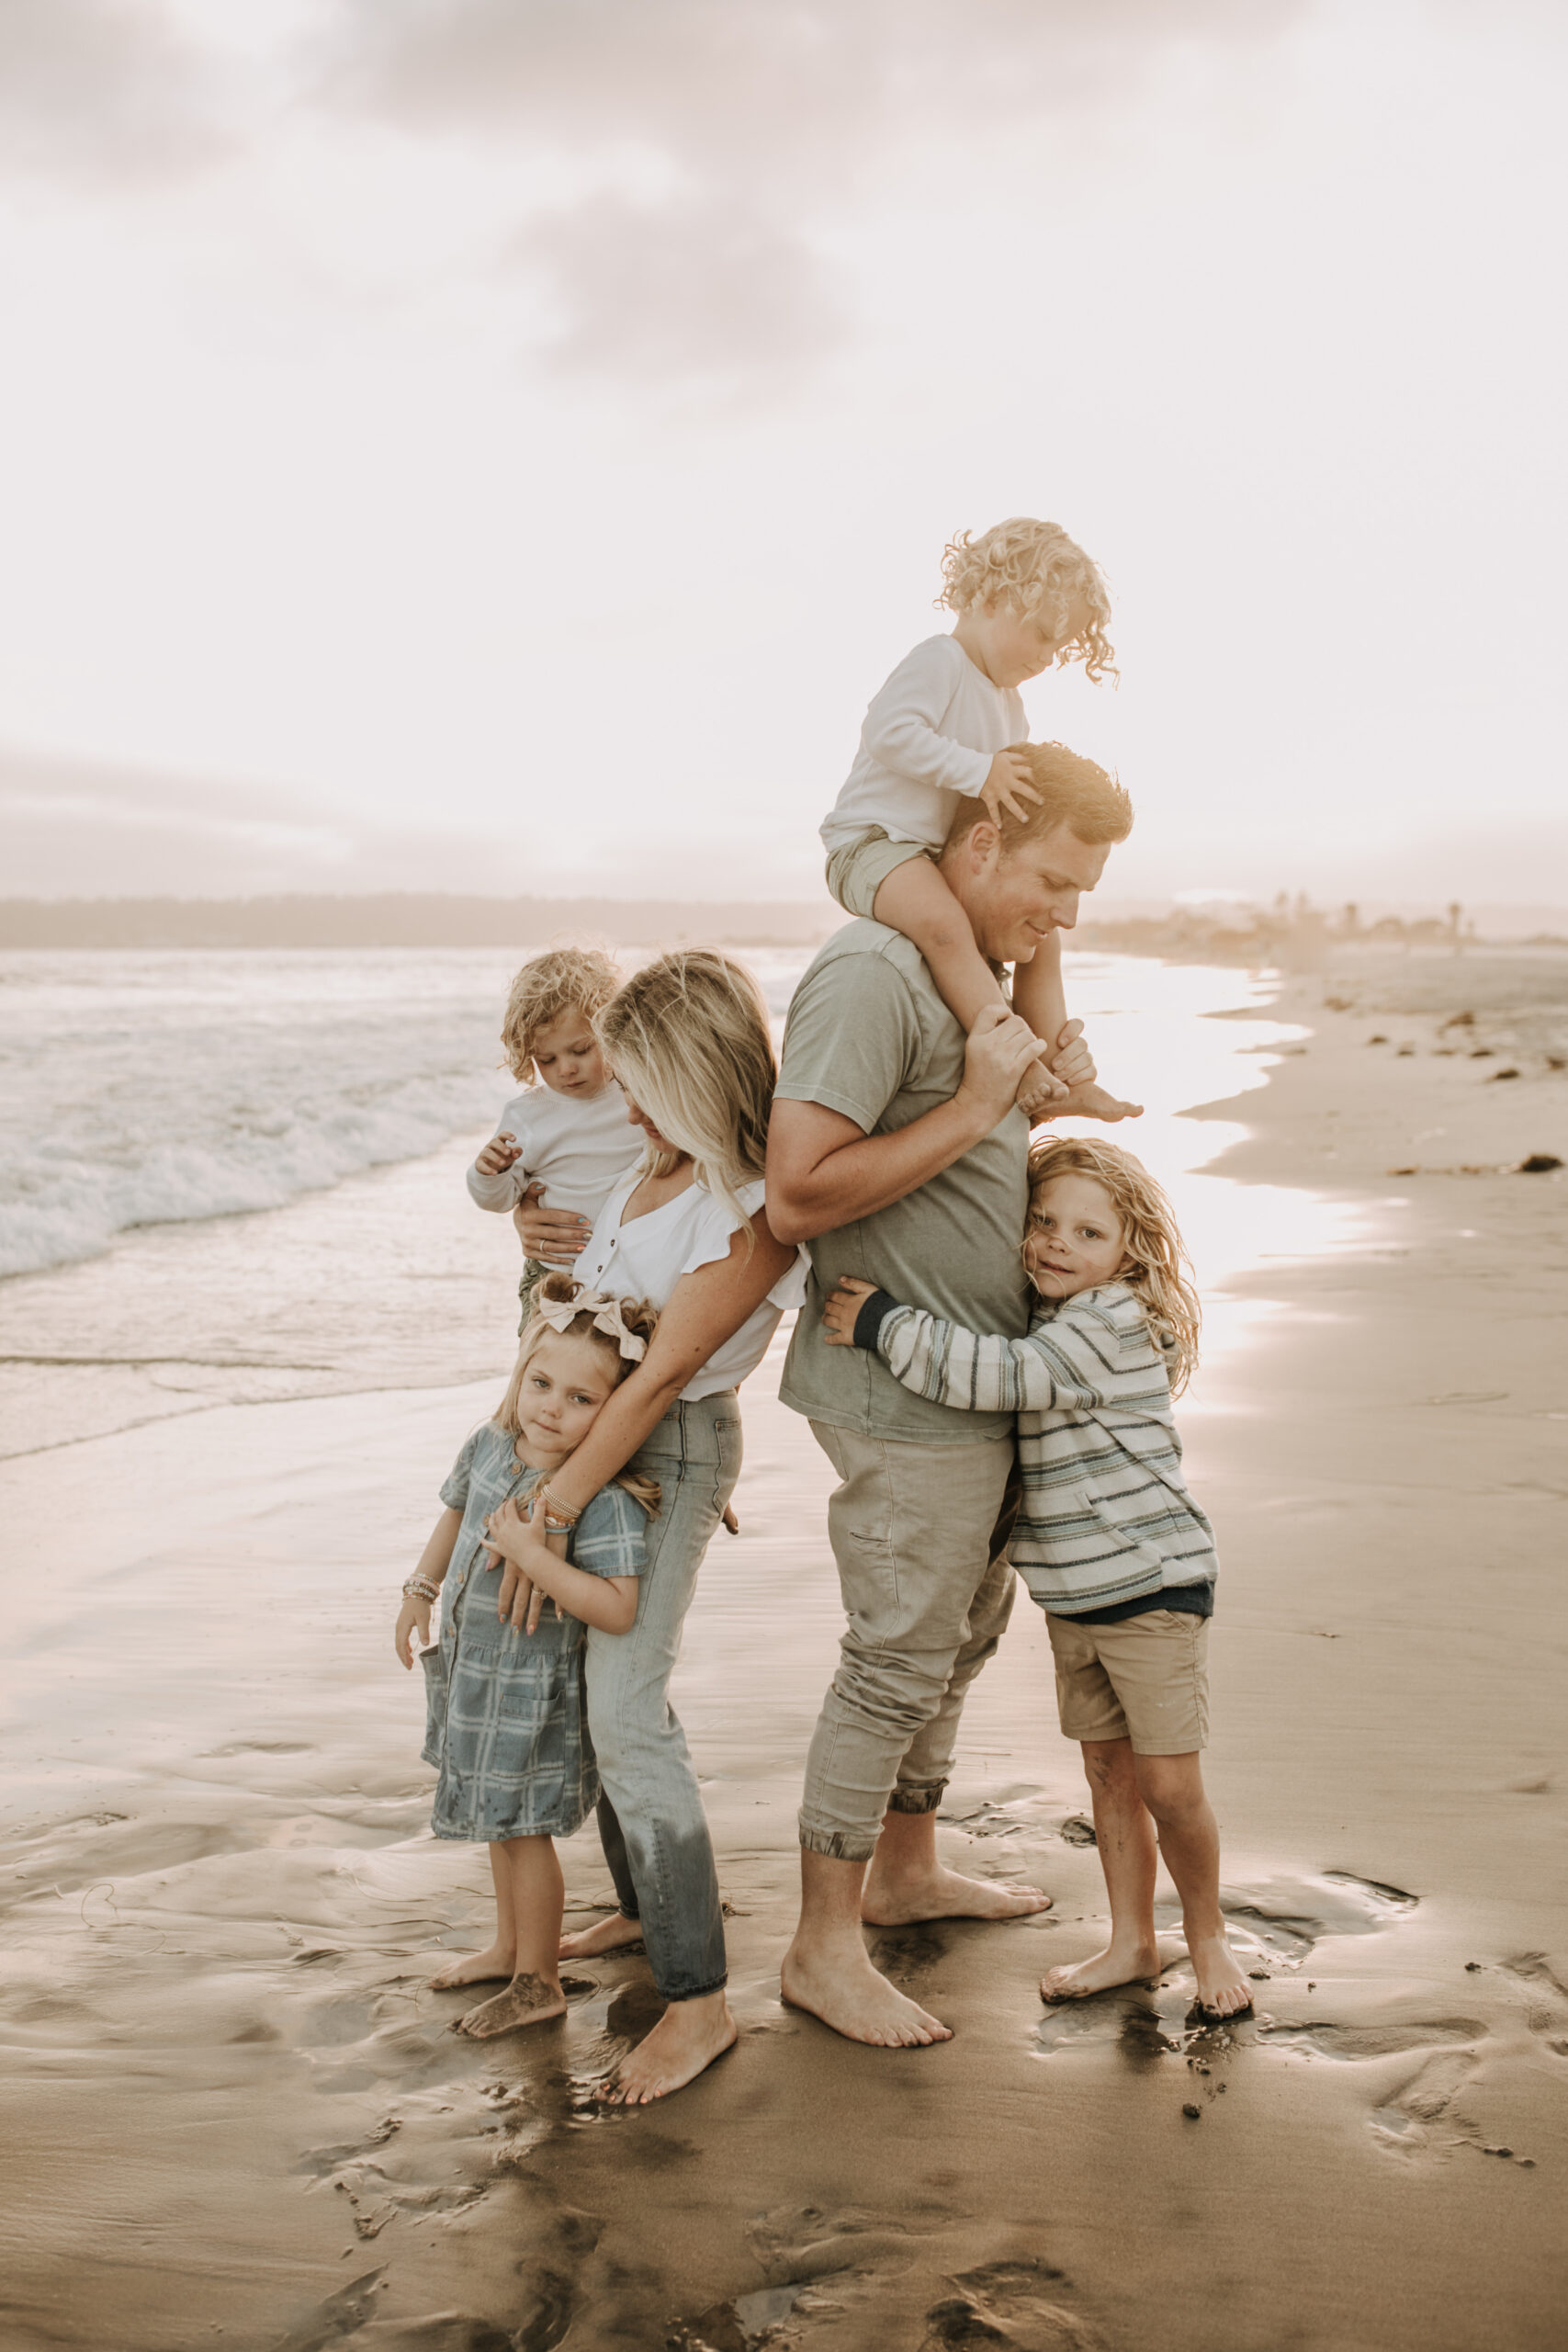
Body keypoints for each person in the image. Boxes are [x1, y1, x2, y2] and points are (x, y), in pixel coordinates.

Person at [766, 748, 1134, 2049]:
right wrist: (982, 1095)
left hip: (980, 1384)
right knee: (892, 1660)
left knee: (957, 1638)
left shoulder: (969, 975)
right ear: (972, 846)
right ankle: (818, 1943)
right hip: (895, 1390)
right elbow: (796, 1190)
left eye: (1084, 890)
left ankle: (903, 1872)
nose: (1066, 912)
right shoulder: (872, 970)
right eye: (1050, 880)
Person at [821, 1135, 1253, 2019]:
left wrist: (884, 1324)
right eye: (1043, 1221)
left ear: (1127, 1253)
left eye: (1086, 1233)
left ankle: (1206, 1940)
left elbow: (1005, 1377)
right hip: (1077, 1599)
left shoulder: (1107, 1323)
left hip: (1151, 1589)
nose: (1057, 1242)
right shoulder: (1058, 1314)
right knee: (1107, 1777)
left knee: (1170, 1786)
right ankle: (1132, 1943)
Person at [497, 949, 807, 2102]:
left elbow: (668, 1371)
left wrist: (553, 1506)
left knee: (626, 1714)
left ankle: (701, 2000)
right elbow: (598, 1319)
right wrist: (530, 1232)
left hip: (659, 1453)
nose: (619, 1101)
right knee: (611, 1697)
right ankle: (639, 1912)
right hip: (604, 1443)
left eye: (639, 1079)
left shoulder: (750, 1206)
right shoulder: (651, 1162)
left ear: (692, 1072)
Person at [392, 1275, 660, 2040]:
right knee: (496, 1824)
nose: (552, 1407)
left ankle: (538, 1981)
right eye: (541, 1383)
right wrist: (419, 1589)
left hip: (532, 1688)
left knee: (522, 1827)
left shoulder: (599, 1494)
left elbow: (616, 1605)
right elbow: (453, 1514)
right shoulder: (487, 1444)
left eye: (582, 1399)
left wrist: (528, 1553)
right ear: (520, 1373)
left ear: (614, 1412)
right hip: (473, 1667)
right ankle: (511, 1946)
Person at [819, 516, 1139, 1125]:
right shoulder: (939, 661)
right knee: (943, 926)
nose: (1047, 657)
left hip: (930, 854)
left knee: (1044, 941)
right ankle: (1015, 1061)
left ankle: (1056, 1060)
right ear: (992, 599)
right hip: (873, 844)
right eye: (1043, 635)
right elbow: (887, 734)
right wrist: (977, 772)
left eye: (1060, 646)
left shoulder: (1010, 707)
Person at [467, 946, 642, 1329]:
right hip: (554, 1279)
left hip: (631, 1276)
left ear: (611, 1029)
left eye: (581, 1049)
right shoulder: (527, 1115)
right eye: (547, 1060)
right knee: (543, 1381)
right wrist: (488, 1174)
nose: (566, 1069)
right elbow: (500, 1199)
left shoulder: (639, 1093)